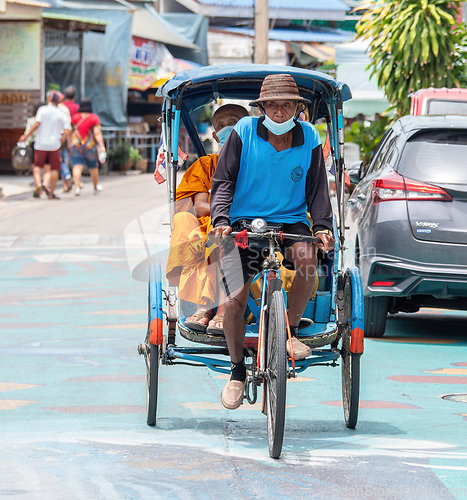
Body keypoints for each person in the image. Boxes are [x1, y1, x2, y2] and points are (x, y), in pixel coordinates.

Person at [209, 74, 335, 409]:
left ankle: (289, 332)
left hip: (291, 221)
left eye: (287, 104)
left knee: (309, 259)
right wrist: (220, 219)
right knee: (234, 298)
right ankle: (237, 371)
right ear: (262, 107)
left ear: (297, 108)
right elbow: (223, 181)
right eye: (273, 104)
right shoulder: (243, 132)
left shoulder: (309, 136)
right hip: (243, 223)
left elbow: (318, 189)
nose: (280, 110)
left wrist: (322, 226)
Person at [166, 104, 249, 334]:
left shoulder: (260, 161)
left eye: (233, 123)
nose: (227, 129)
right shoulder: (207, 164)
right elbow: (200, 207)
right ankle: (209, 308)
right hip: (213, 228)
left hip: (251, 227)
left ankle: (221, 310)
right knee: (215, 234)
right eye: (220, 126)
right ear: (214, 135)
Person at [19, 92, 71, 200]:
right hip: (54, 145)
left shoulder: (42, 110)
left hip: (40, 144)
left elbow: (36, 124)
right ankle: (50, 192)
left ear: (49, 100)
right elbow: (67, 130)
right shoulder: (61, 113)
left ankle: (38, 184)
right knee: (53, 168)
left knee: (37, 166)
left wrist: (26, 136)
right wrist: (61, 141)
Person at [69, 98, 106, 196]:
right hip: (90, 147)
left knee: (77, 166)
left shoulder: (74, 117)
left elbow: (70, 132)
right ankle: (95, 188)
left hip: (76, 146)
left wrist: (69, 144)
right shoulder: (94, 118)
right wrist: (102, 146)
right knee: (93, 167)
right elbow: (97, 133)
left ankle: (77, 188)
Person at [60, 86, 79, 192]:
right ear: (75, 97)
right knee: (72, 159)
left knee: (62, 159)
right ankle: (75, 181)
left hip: (61, 135)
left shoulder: (60, 107)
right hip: (72, 136)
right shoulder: (76, 107)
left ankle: (66, 180)